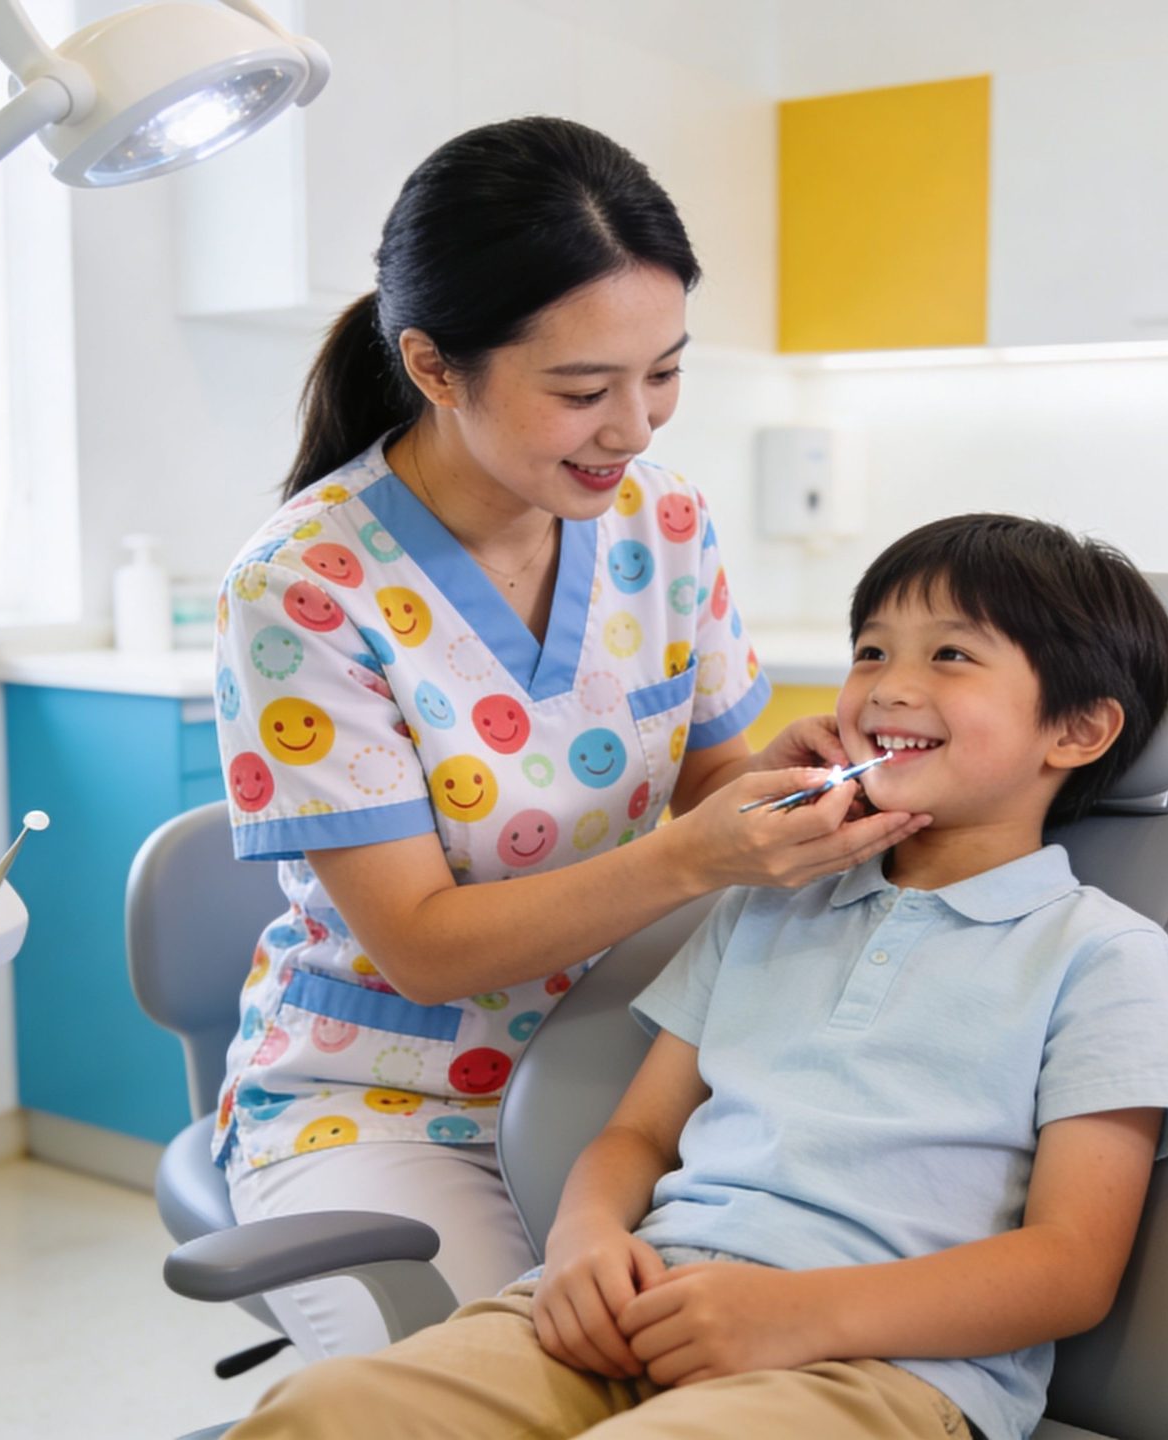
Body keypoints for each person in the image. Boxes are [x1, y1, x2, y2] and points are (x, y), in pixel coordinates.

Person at [227, 513, 1168, 1440]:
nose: (887, 685)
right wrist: (583, 1244)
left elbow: (1069, 1267)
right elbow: (638, 1133)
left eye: (950, 654)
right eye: (871, 650)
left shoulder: (1102, 956)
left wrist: (795, 1315)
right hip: (641, 1307)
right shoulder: (769, 899)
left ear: (1077, 732)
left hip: (876, 1368)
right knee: (322, 1413)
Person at [211, 115, 928, 1361]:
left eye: (664, 371)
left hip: (639, 1062)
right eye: (584, 390)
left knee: (728, 1368)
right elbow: (424, 950)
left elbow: (705, 777)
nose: (636, 427)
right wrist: (696, 859)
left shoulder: (665, 517)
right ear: (436, 368)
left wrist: (777, 793)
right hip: (391, 1093)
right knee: (510, 1377)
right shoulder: (307, 589)